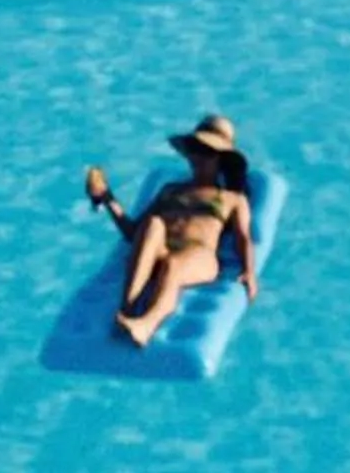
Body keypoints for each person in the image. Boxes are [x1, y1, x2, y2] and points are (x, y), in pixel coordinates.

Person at [84, 116, 258, 348]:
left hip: (200, 256)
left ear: (220, 158)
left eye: (207, 152)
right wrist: (107, 199)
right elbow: (134, 233)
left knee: (174, 266)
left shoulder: (232, 199)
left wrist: (249, 271)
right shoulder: (170, 190)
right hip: (162, 250)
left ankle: (146, 325)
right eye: (195, 150)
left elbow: (243, 237)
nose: (198, 157)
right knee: (153, 223)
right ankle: (126, 310)